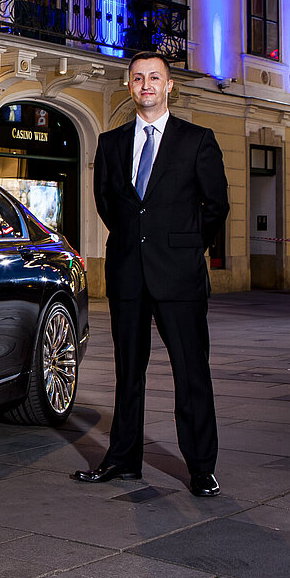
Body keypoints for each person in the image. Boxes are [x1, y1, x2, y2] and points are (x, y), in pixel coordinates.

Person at [74, 51, 229, 497]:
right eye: (138, 78)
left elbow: (216, 205)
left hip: (179, 276)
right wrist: (134, 240)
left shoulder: (197, 140)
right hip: (127, 273)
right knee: (128, 373)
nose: (146, 85)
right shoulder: (110, 142)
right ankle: (123, 460)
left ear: (169, 85)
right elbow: (108, 203)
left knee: (191, 372)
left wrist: (185, 245)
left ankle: (201, 468)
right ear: (129, 86)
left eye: (154, 77)